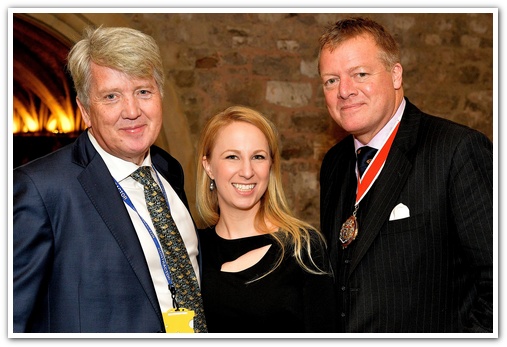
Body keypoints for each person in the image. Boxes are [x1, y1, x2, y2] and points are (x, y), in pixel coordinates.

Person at [13, 26, 206, 333]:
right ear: (85, 110)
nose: (132, 111)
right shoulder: (42, 190)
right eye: (111, 96)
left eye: (143, 92)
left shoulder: (168, 170)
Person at [318, 16, 493, 333]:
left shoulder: (455, 150)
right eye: (331, 80)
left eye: (360, 74)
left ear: (395, 74)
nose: (344, 91)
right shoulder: (333, 164)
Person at [195, 105, 337, 333]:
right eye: (232, 156)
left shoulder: (302, 247)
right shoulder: (193, 249)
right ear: (209, 166)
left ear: (270, 166)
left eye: (258, 157)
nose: (247, 171)